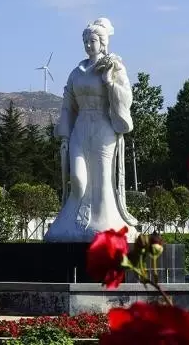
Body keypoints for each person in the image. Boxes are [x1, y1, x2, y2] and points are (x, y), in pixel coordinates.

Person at [44, 18, 138, 242]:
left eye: (92, 40)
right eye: (85, 40)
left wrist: (109, 82)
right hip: (81, 127)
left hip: (103, 128)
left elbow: (126, 97)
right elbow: (68, 102)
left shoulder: (113, 67)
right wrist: (64, 132)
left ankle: (105, 223)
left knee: (103, 177)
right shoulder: (76, 72)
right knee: (77, 179)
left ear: (102, 42)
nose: (88, 44)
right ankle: (73, 222)